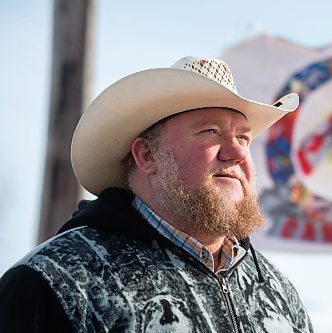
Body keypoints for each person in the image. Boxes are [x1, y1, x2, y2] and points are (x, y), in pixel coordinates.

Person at [0, 56, 314, 332]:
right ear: (147, 156)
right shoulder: (57, 283)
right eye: (210, 132)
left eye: (244, 138)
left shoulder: (279, 292)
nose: (236, 152)